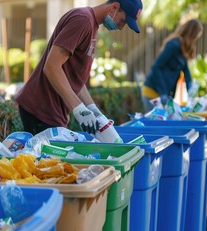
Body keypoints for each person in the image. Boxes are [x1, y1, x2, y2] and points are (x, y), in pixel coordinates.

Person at [15, 0, 143, 135]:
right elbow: (52, 67)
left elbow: (74, 77)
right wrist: (78, 107)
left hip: (54, 111)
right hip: (41, 108)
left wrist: (93, 108)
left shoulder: (92, 25)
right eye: (123, 21)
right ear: (115, 7)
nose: (121, 27)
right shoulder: (82, 21)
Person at [141, 19, 203, 112]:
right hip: (152, 92)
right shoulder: (173, 45)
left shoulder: (183, 48)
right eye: (195, 37)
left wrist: (191, 87)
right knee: (156, 125)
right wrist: (163, 92)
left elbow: (185, 70)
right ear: (192, 34)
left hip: (164, 94)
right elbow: (156, 67)